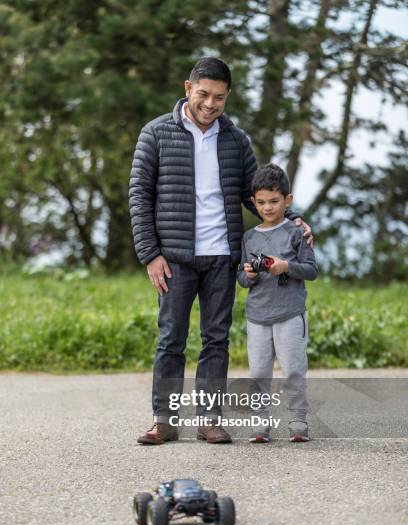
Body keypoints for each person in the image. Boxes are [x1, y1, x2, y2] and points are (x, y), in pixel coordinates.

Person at [129, 57, 313, 445]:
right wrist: (150, 254)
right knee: (171, 340)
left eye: (219, 97)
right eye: (203, 95)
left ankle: (209, 419)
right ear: (187, 89)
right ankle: (164, 420)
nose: (210, 104)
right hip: (174, 259)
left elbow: (256, 195)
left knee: (216, 341)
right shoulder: (155, 134)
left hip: (221, 259)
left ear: (228, 97)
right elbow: (139, 197)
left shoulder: (235, 140)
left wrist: (293, 219)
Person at [237, 163, 318, 443]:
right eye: (261, 202)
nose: (268, 208)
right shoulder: (249, 237)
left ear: (288, 200)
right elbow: (241, 277)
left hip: (290, 314)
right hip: (257, 316)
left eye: (274, 201)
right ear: (253, 202)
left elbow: (311, 270)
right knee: (259, 372)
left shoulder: (297, 233)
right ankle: (260, 424)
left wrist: (286, 266)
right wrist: (247, 275)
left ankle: (298, 420)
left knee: (294, 369)